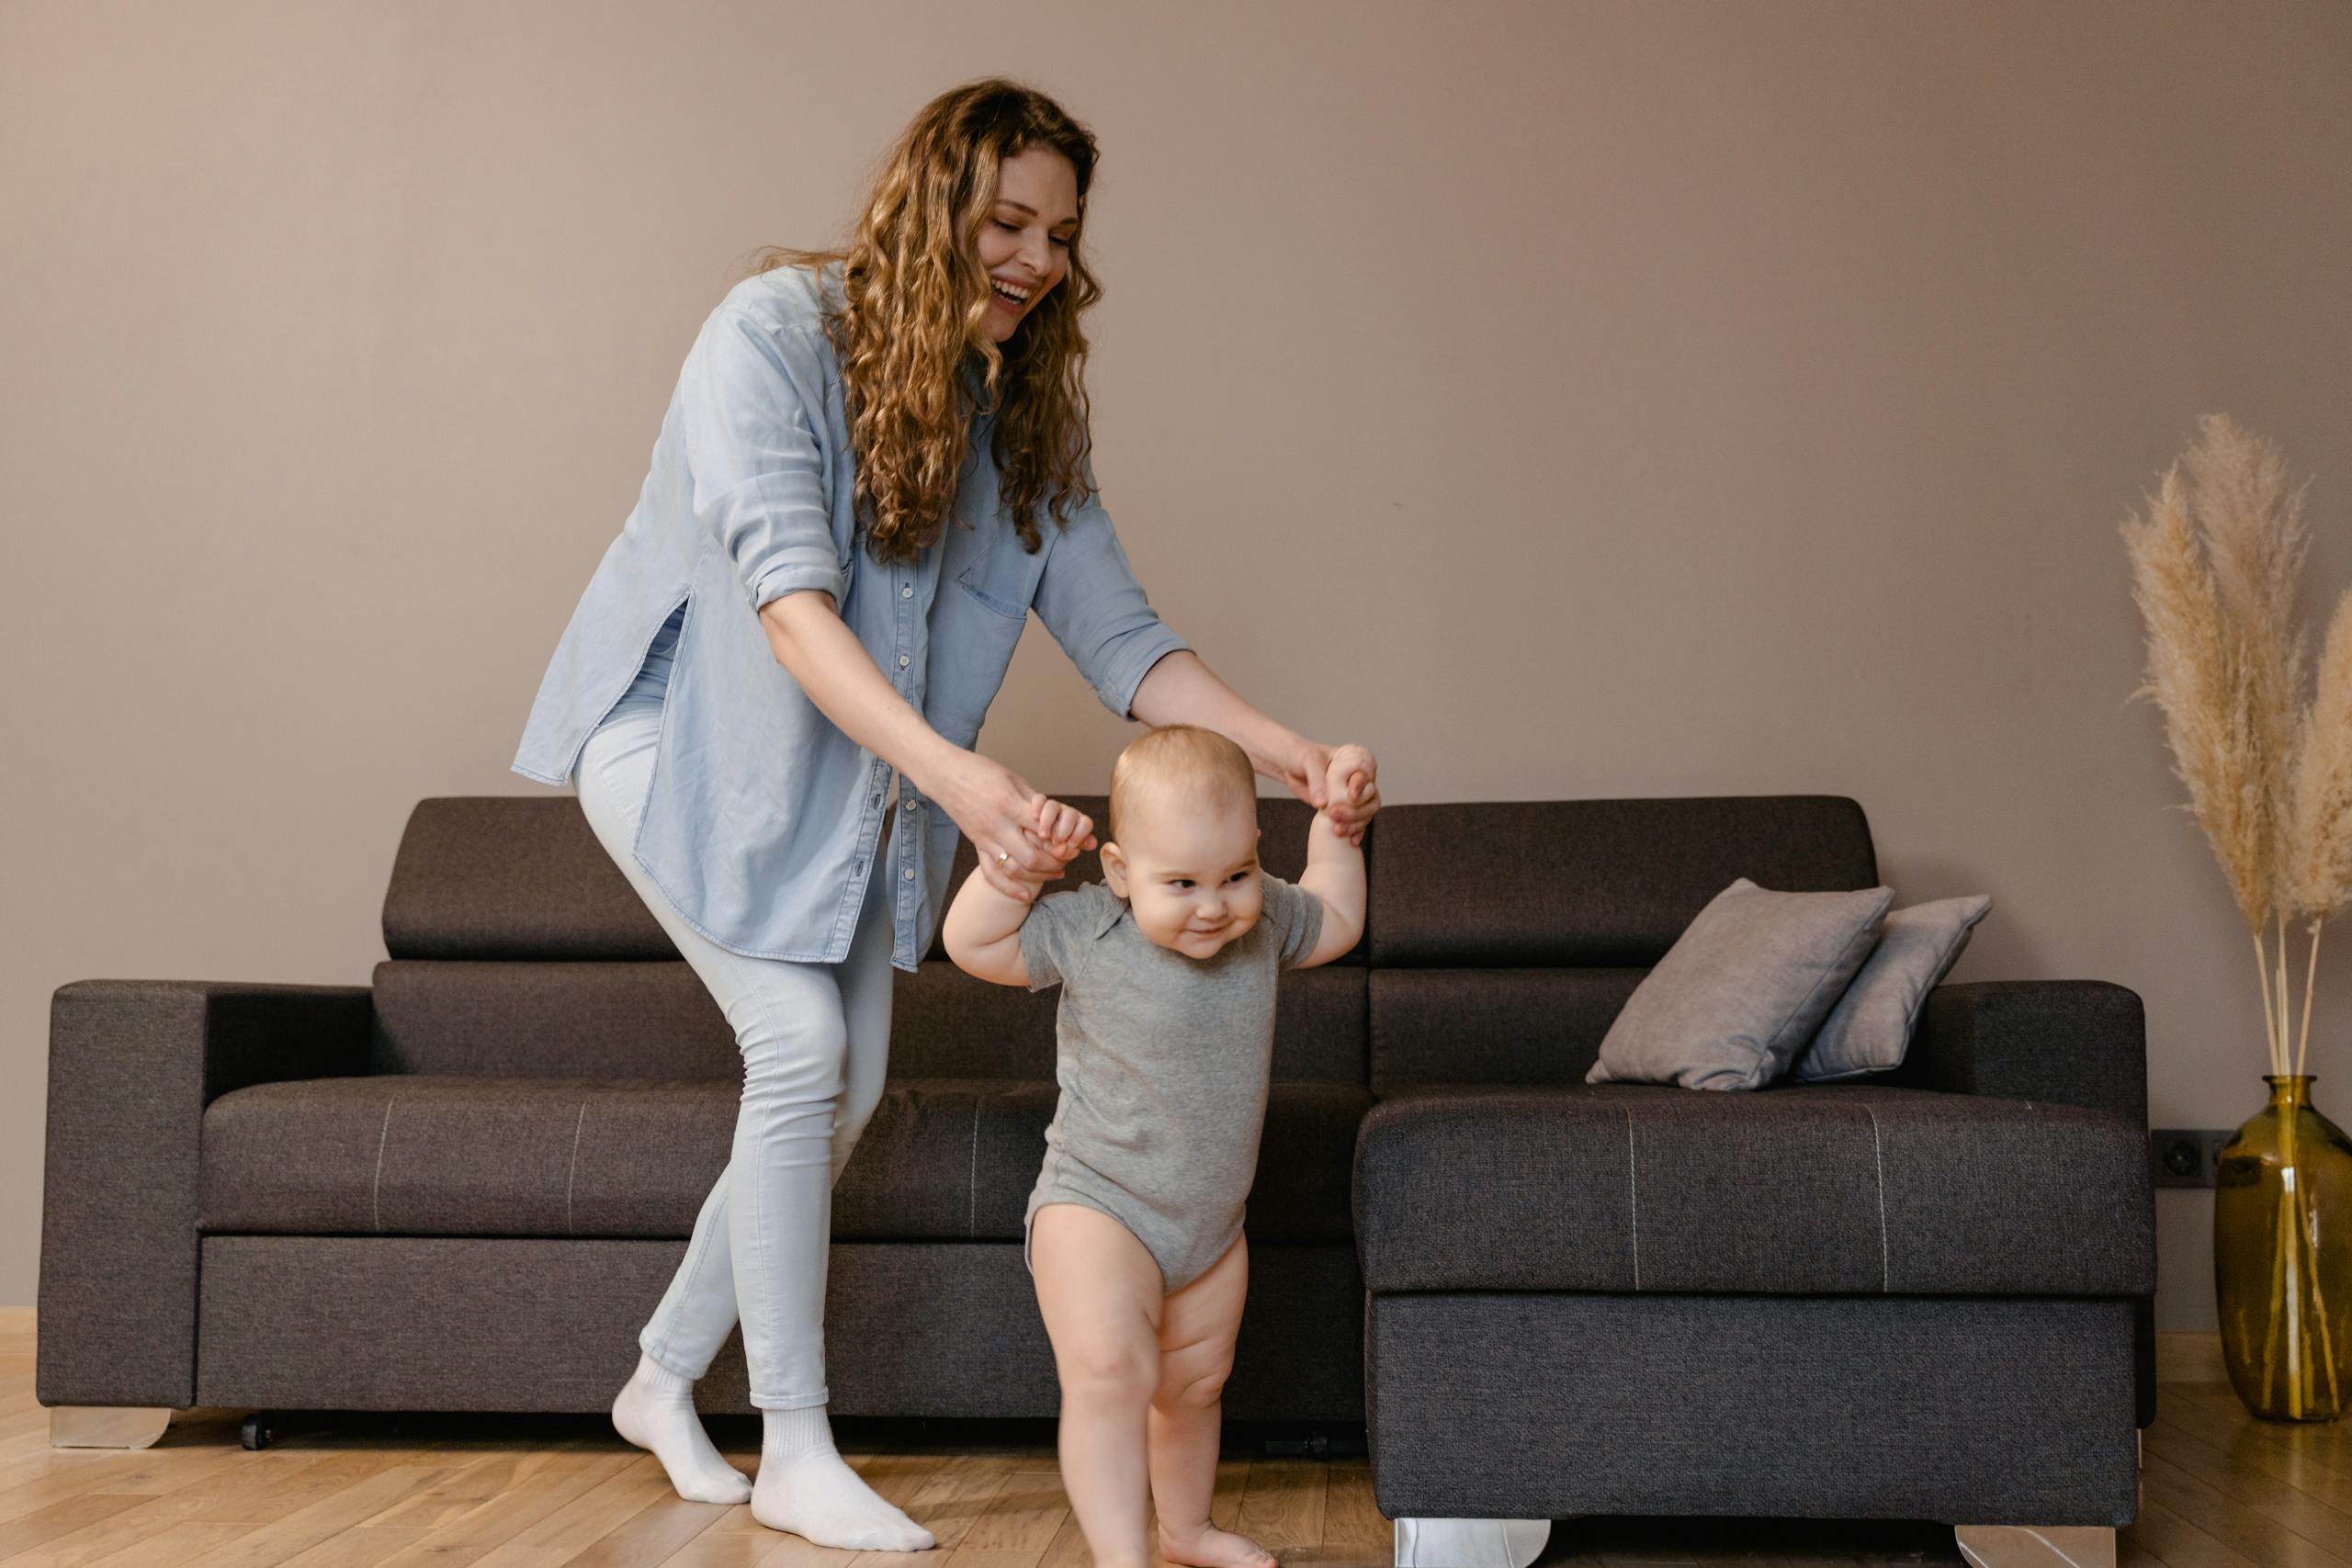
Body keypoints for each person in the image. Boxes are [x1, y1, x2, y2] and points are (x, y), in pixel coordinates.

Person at [508, 79, 1380, 1548]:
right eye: (1007, 220)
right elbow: (788, 608)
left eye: (1060, 233)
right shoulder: (771, 338)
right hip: (674, 733)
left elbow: (1123, 640)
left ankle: (660, 1377)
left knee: (840, 1089)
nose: (1035, 259)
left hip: (842, 772)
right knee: (794, 1048)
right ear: (934, 203)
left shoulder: (1016, 405)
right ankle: (792, 1439)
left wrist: (1287, 749)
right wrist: (962, 781)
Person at [941, 726, 1371, 1568]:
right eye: (1180, 881)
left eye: (1236, 874)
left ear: (1255, 855)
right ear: (1116, 871)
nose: (1214, 904)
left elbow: (1343, 916)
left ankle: (1184, 1530)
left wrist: (1337, 832)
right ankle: (1121, 1557)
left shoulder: (1266, 919)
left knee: (1193, 1387)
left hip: (1211, 1224)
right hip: (1098, 1201)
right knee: (1111, 1371)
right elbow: (973, 945)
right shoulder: (1086, 929)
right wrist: (1013, 873)